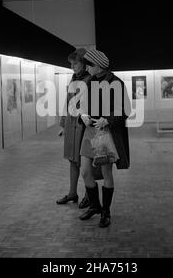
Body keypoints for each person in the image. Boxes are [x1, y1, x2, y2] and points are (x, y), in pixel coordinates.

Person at [78, 49, 131, 228]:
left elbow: (124, 111)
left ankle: (106, 212)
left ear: (98, 65)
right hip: (89, 132)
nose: (86, 67)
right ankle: (95, 206)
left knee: (107, 173)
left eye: (89, 64)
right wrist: (82, 115)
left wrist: (107, 119)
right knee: (85, 171)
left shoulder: (116, 83)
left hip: (105, 133)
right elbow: (81, 106)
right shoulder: (88, 82)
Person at [56, 48, 91, 209]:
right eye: (71, 63)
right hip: (72, 125)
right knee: (72, 160)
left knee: (84, 163)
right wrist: (64, 125)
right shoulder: (74, 78)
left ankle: (88, 196)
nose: (73, 66)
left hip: (82, 125)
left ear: (83, 63)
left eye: (75, 63)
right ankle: (72, 193)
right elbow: (68, 102)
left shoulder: (90, 80)